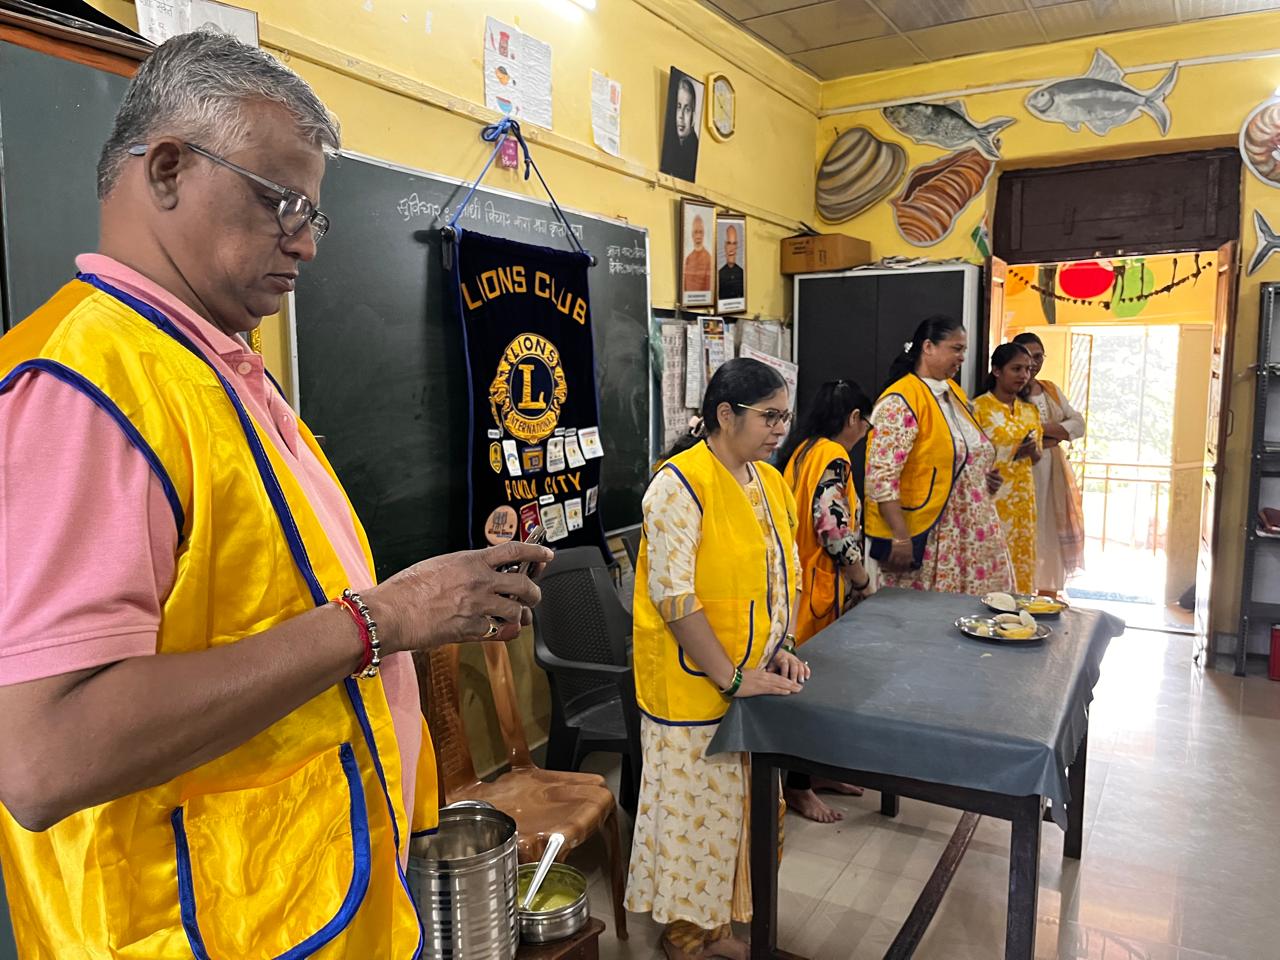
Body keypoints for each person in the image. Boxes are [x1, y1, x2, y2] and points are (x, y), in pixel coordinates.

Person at [0, 32, 551, 957]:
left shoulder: (216, 370)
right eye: (280, 201)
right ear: (168, 167)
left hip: (307, 896)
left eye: (316, 215)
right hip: (194, 927)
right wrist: (382, 620)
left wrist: (417, 605)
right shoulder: (86, 387)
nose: (304, 241)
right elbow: (45, 755)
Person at [626, 357, 806, 960]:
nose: (780, 428)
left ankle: (722, 929)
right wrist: (730, 677)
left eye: (785, 415)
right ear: (725, 415)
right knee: (695, 828)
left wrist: (782, 649)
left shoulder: (768, 479)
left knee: (749, 817)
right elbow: (676, 601)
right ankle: (686, 941)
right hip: (699, 689)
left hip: (749, 681)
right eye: (769, 416)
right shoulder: (677, 487)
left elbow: (781, 575)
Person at [778, 379, 873, 824]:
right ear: (853, 417)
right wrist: (861, 578)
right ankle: (798, 787)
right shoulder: (833, 457)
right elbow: (832, 529)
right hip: (818, 588)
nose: (865, 431)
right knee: (810, 691)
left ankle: (815, 774)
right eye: (865, 422)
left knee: (812, 685)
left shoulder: (802, 450)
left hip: (799, 582)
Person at [864, 315, 1014, 594]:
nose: (962, 357)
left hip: (971, 530)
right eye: (956, 349)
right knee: (930, 618)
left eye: (964, 350)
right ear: (928, 347)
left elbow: (964, 454)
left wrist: (984, 478)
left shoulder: (954, 393)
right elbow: (881, 478)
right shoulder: (900, 400)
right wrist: (899, 536)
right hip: (931, 533)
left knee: (977, 617)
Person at [1011, 333, 1087, 596]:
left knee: (1049, 532)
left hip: (1051, 475)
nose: (1032, 364)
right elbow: (1012, 436)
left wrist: (1043, 430)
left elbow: (1078, 424)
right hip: (1017, 475)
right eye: (1026, 357)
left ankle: (1047, 598)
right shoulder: (1006, 393)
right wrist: (1053, 435)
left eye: (1039, 357)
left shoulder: (1050, 390)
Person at [973, 344, 1043, 595]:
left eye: (1027, 369)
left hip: (1023, 501)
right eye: (1016, 369)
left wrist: (1031, 450)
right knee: (991, 563)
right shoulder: (977, 409)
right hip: (991, 499)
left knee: (1021, 560)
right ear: (997, 371)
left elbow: (1037, 457)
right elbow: (967, 458)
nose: (1024, 375)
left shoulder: (1030, 411)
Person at [660, 72, 700, 181]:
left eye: (687, 109)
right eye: (678, 107)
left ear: (693, 116)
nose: (681, 116)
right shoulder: (673, 146)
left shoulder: (692, 152)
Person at [683, 213, 712, 296]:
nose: (698, 235)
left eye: (700, 232)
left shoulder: (708, 259)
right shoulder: (688, 258)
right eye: (696, 232)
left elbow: (708, 291)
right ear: (692, 235)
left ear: (704, 234)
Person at [718, 224, 744, 302]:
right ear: (724, 246)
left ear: (737, 246)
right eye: (729, 243)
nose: (731, 248)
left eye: (734, 243)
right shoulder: (719, 274)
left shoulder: (742, 273)